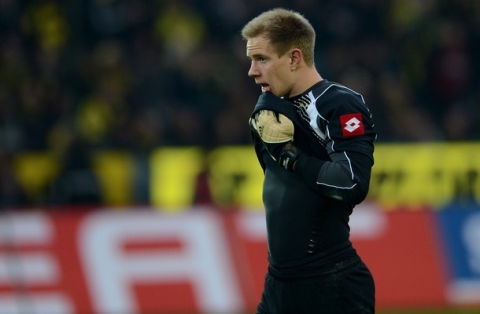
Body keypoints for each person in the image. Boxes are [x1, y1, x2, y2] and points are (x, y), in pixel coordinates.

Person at [241, 8, 377, 313]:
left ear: (294, 58)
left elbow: (352, 182)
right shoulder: (269, 110)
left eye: (261, 59)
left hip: (331, 284)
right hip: (279, 285)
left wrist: (292, 157)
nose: (252, 70)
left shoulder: (338, 102)